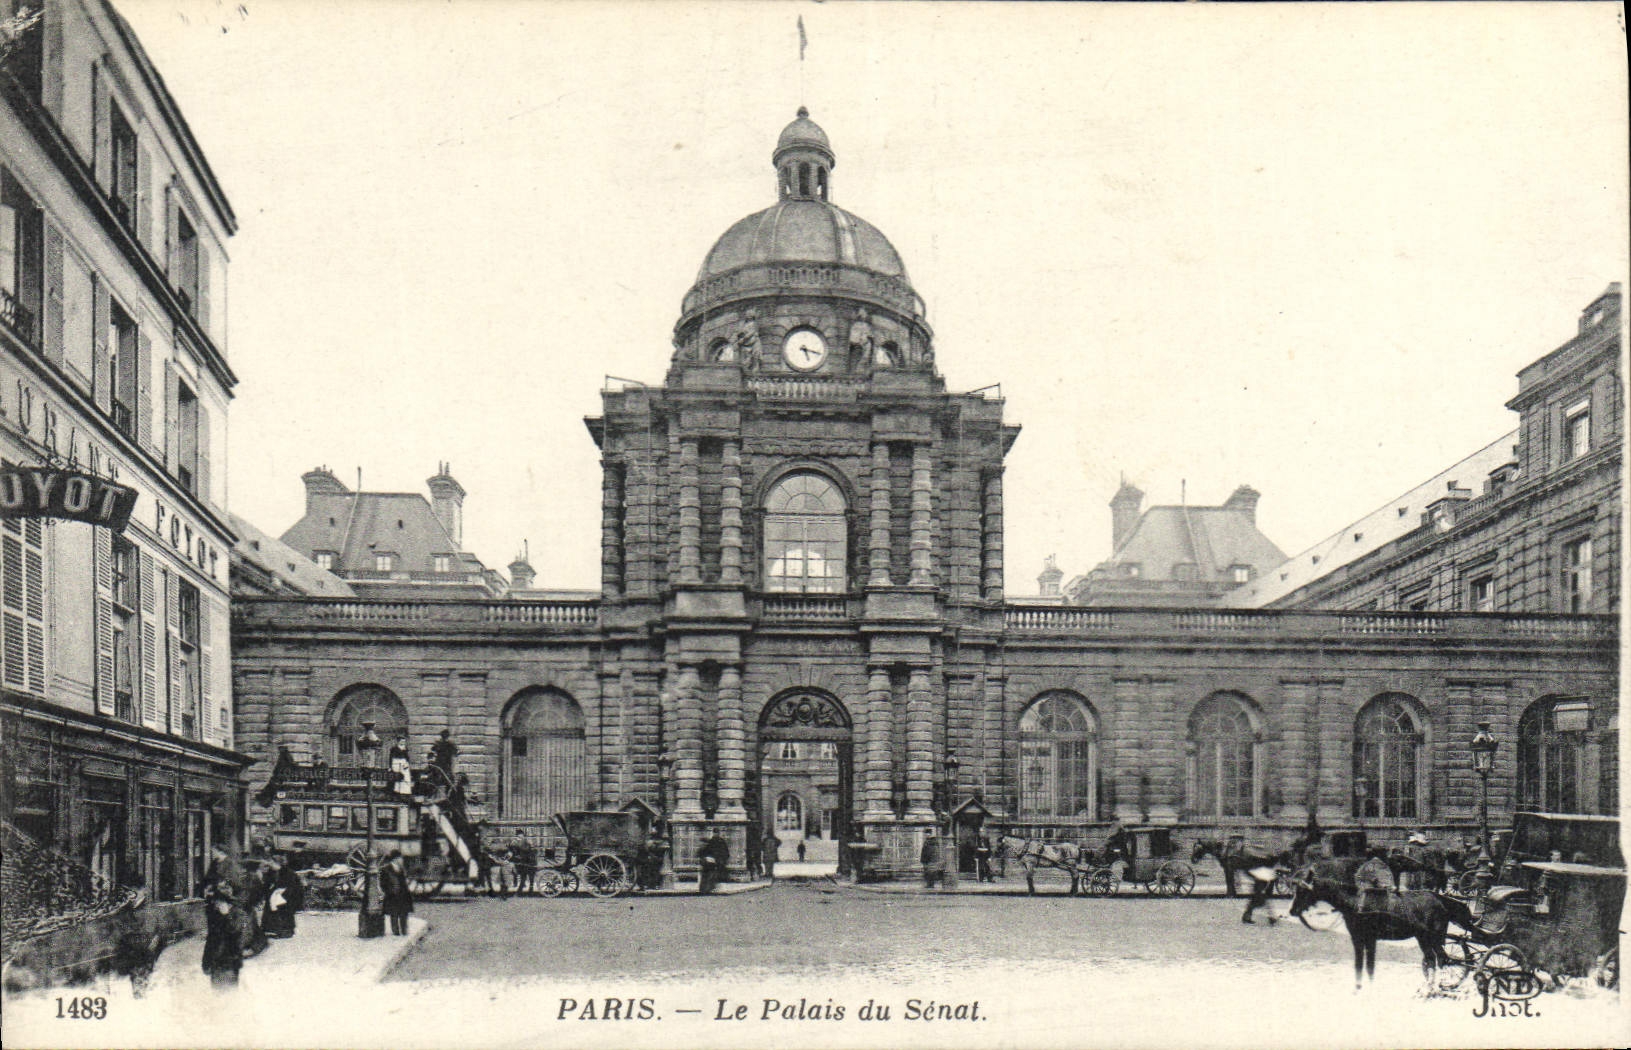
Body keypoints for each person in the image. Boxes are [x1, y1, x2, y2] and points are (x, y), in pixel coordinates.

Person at [201, 883, 245, 989]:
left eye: (218, 901)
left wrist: (227, 915)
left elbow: (236, 932)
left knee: (229, 995)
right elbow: (211, 940)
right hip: (215, 963)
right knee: (217, 995)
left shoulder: (237, 911)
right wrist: (206, 962)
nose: (216, 904)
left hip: (229, 962)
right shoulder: (214, 914)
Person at [261, 855, 304, 939]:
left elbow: (292, 886)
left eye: (272, 863)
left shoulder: (288, 872)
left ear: (278, 863)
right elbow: (268, 883)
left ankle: (286, 931)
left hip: (286, 896)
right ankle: (272, 930)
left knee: (284, 913)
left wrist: (281, 892)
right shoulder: (271, 872)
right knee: (272, 911)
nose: (270, 864)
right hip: (275, 896)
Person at [379, 850, 413, 935]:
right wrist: (389, 891)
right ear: (395, 859)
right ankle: (396, 933)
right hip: (392, 895)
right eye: (400, 858)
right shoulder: (385, 869)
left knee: (404, 914)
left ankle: (404, 932)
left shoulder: (402, 869)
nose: (402, 860)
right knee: (394, 915)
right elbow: (382, 883)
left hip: (403, 895)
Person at [697, 826, 729, 894]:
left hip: (716, 860)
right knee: (710, 875)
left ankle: (708, 888)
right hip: (712, 861)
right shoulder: (713, 841)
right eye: (715, 833)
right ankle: (708, 888)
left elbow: (725, 852)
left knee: (711, 875)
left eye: (716, 833)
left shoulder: (717, 841)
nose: (716, 834)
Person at [508, 829, 536, 894]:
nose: (519, 836)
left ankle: (524, 888)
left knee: (528, 875)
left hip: (528, 860)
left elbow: (529, 849)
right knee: (523, 874)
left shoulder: (525, 841)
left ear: (522, 834)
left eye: (520, 834)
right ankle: (521, 887)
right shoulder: (516, 841)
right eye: (518, 835)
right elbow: (513, 848)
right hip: (523, 859)